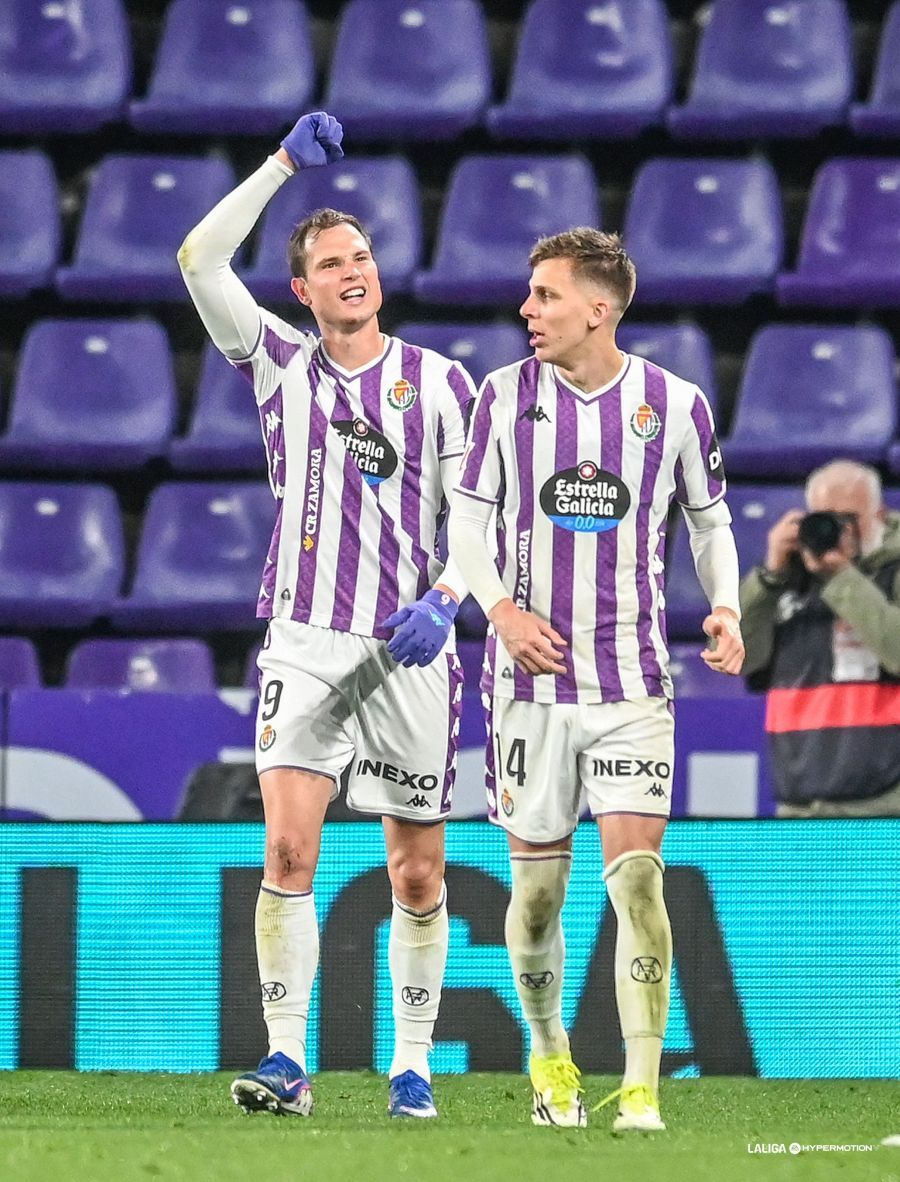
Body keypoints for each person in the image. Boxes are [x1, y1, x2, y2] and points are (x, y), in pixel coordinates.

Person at [178, 112, 476, 1119]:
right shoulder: (277, 361)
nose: (352, 270)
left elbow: (485, 523)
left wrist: (447, 600)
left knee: (417, 868)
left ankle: (415, 1067)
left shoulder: (442, 385)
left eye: (362, 256)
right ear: (301, 290)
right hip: (304, 640)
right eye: (329, 263)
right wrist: (277, 165)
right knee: (290, 852)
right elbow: (198, 256)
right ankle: (287, 1062)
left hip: (408, 653)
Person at [447, 227, 744, 1131]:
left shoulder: (674, 404)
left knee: (638, 882)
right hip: (528, 692)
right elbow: (464, 526)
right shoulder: (502, 398)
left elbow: (710, 521)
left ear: (598, 308)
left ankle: (644, 1089)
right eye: (530, 294)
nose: (526, 310)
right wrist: (498, 609)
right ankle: (551, 1061)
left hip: (630, 689)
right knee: (535, 899)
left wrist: (725, 606)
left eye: (544, 295)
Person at [740, 460, 900, 816]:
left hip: (886, 801)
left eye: (849, 519)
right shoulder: (788, 577)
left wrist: (842, 578)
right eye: (825, 518)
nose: (837, 531)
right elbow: (739, 658)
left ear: (879, 514)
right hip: (799, 801)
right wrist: (767, 579)